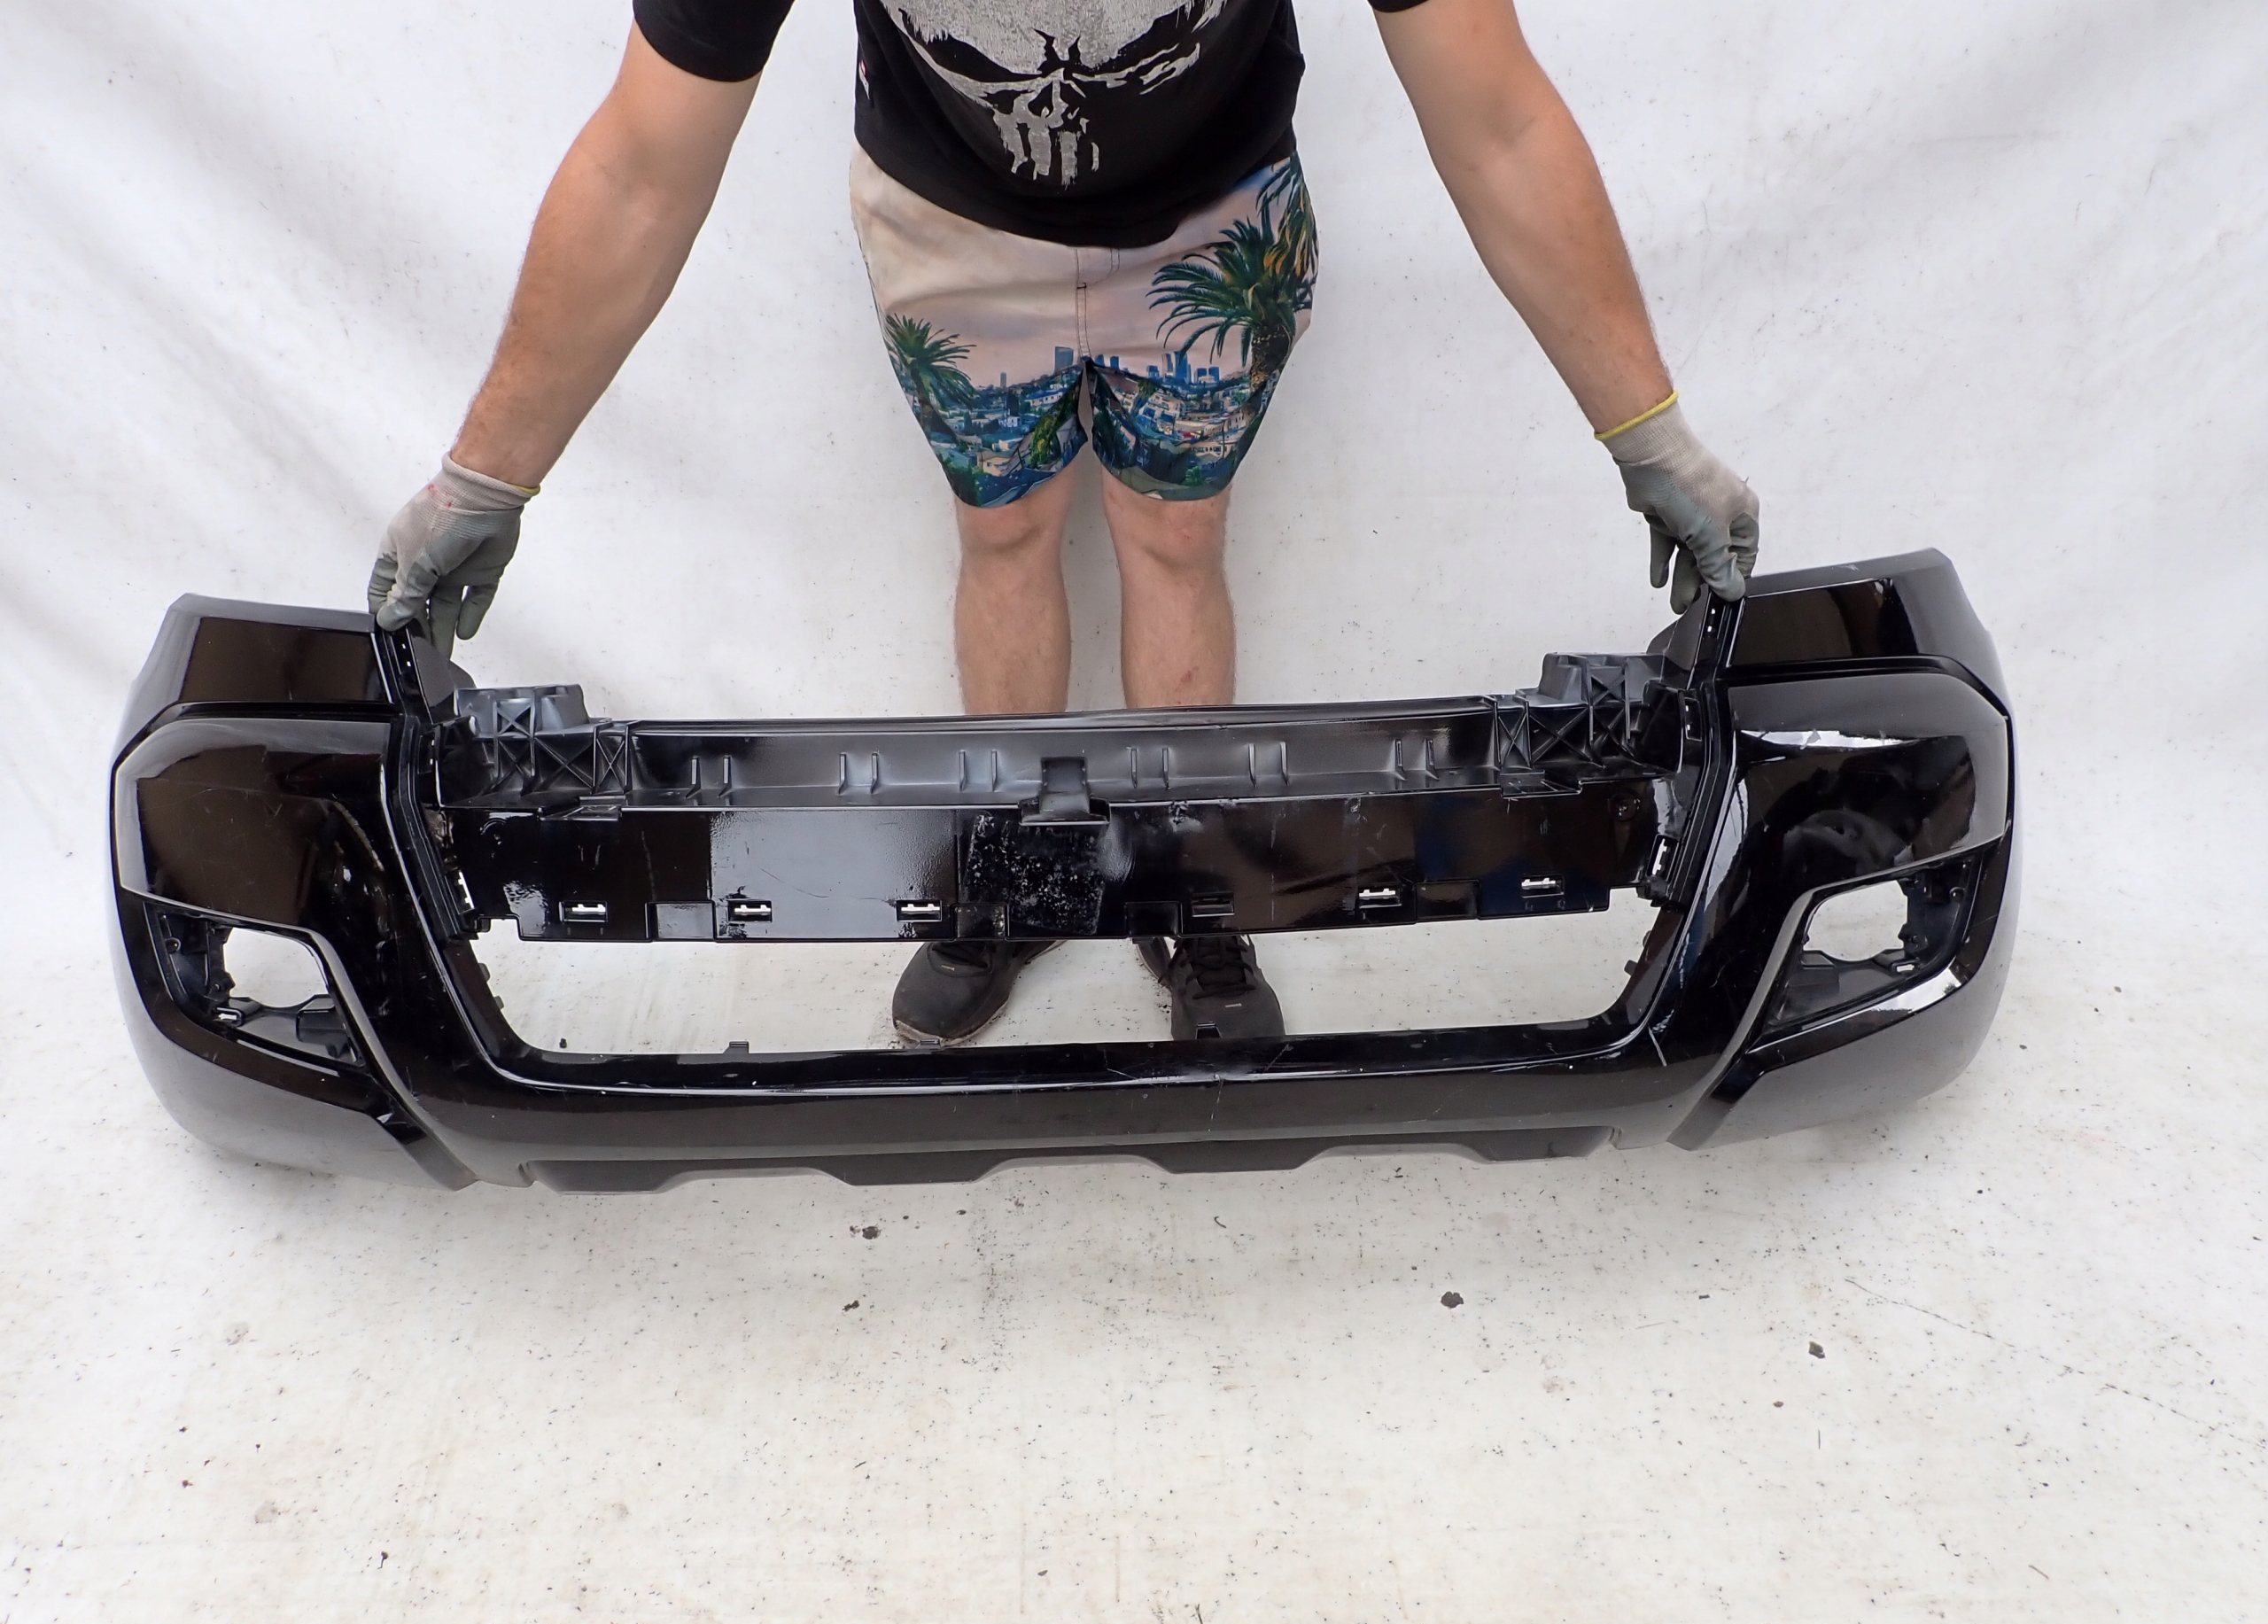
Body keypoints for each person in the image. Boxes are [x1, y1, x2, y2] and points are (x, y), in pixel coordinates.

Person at [367, 0, 1760, 1046]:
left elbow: (1497, 113)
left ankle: (1186, 885)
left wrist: (1645, 428)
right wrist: (489, 477)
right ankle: (1013, 871)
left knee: (1174, 538)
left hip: (1215, 220)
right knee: (1004, 535)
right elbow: (640, 164)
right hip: (950, 228)